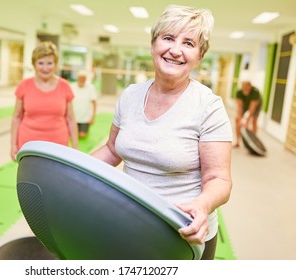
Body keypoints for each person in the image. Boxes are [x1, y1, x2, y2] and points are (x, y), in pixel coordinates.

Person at [91, 5, 233, 260]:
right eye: (168, 38)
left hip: (181, 234)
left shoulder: (209, 106)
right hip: (128, 223)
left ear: (200, 56)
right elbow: (112, 150)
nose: (175, 50)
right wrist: (69, 168)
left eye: (188, 43)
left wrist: (202, 205)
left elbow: (219, 179)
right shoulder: (130, 95)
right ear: (153, 44)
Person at [10, 41, 78, 161]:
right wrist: (13, 145)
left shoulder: (65, 86)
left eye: (49, 63)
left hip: (58, 144)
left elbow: (71, 119)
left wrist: (75, 148)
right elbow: (16, 117)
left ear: (55, 64)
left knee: (56, 178)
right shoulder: (24, 85)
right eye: (40, 63)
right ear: (34, 64)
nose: (45, 68)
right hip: (29, 144)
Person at [234, 81, 262, 148]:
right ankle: (237, 141)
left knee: (254, 121)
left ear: (250, 86)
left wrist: (247, 120)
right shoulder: (239, 92)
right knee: (237, 119)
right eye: (243, 87)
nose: (245, 89)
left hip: (256, 106)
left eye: (246, 87)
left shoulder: (255, 92)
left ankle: (253, 141)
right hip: (245, 105)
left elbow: (252, 108)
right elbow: (239, 107)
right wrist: (240, 119)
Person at [72, 70, 97, 138]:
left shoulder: (90, 87)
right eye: (80, 78)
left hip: (85, 118)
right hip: (73, 117)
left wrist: (93, 117)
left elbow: (94, 102)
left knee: (82, 136)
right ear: (77, 78)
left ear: (86, 79)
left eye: (83, 78)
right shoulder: (72, 87)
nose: (82, 79)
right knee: (73, 135)